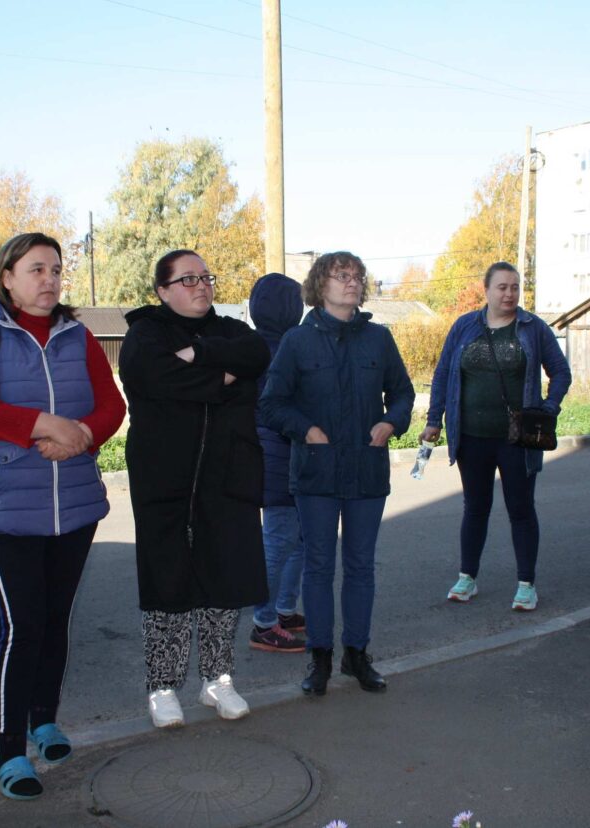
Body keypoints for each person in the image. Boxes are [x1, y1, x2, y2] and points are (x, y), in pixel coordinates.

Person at [0, 233, 125, 800]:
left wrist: (80, 438)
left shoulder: (79, 336)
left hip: (74, 502)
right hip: (8, 507)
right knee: (21, 628)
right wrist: (46, 425)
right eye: (35, 269)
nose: (48, 279)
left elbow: (111, 406)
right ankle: (9, 752)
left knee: (55, 620)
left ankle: (44, 720)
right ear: (7, 276)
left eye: (54, 269)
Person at [119, 249, 270, 728]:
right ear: (162, 290)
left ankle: (217, 679)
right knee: (166, 578)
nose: (201, 285)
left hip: (228, 474)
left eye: (205, 276)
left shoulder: (230, 330)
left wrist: (201, 356)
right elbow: (155, 378)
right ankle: (162, 687)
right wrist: (221, 378)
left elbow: (257, 356)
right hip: (165, 479)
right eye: (187, 279)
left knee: (223, 576)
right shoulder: (145, 334)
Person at [261, 251, 415, 697]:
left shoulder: (378, 339)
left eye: (357, 276)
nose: (351, 282)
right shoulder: (297, 341)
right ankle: (320, 658)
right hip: (316, 475)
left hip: (367, 471)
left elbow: (402, 393)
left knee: (361, 566)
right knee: (318, 567)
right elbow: (272, 403)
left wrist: (392, 422)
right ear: (319, 285)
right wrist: (305, 429)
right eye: (340, 275)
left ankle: (357, 654)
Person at [420, 262, 571, 611]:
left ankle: (526, 584)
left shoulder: (533, 328)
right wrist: (434, 420)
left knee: (520, 509)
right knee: (475, 507)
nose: (509, 294)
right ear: (486, 290)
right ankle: (467, 577)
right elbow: (443, 374)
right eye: (502, 287)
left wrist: (549, 408)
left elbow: (560, 371)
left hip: (517, 439)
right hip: (472, 437)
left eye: (515, 287)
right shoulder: (464, 327)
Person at [247, 273, 308, 653]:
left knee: (297, 538)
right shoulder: (284, 349)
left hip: (283, 454)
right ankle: (264, 622)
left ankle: (284, 609)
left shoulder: (259, 346)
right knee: (280, 540)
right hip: (278, 455)